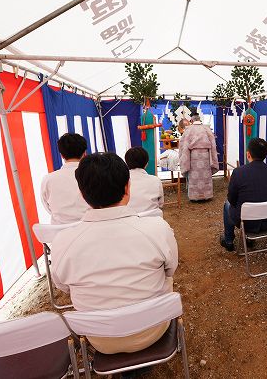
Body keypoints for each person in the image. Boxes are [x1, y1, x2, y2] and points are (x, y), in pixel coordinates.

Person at [51, 152, 178, 354]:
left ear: (82, 194)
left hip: (100, 339)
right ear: (127, 187)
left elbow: (63, 287)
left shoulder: (62, 243)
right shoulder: (157, 229)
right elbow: (170, 270)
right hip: (154, 328)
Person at [221, 138, 267, 252]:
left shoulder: (238, 172)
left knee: (227, 204)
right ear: (266, 155)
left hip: (247, 222)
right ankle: (249, 240)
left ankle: (228, 241)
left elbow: (232, 199)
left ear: (248, 154)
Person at [40, 133, 90, 224]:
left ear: (61, 155)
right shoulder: (94, 175)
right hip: (90, 229)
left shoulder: (48, 179)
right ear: (85, 153)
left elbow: (48, 208)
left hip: (59, 232)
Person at [178, 113, 219, 201]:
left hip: (194, 156)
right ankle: (206, 195)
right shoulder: (206, 129)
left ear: (192, 120)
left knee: (194, 176)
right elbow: (213, 143)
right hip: (205, 156)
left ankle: (194, 197)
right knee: (205, 175)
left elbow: (183, 144)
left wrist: (185, 157)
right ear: (199, 119)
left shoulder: (189, 130)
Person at [125, 146, 165, 215]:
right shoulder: (156, 180)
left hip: (130, 221)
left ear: (126, 163)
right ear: (146, 164)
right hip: (154, 220)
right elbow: (161, 204)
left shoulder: (122, 181)